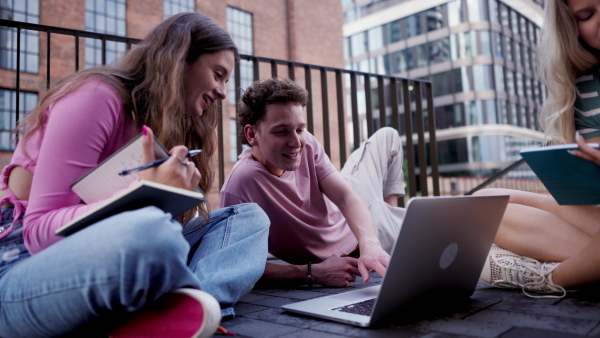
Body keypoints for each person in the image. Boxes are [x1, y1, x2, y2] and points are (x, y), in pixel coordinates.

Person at [0, 12, 269, 338]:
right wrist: (145, 191)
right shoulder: (96, 96)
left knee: (248, 219)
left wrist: (167, 193)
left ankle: (191, 307)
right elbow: (40, 233)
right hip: (19, 267)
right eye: (218, 74)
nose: (224, 92)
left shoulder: (158, 120)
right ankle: (172, 309)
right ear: (180, 60)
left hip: (108, 254)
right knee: (155, 232)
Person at [220, 77, 406, 287]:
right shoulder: (238, 189)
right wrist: (311, 273)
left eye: (299, 129)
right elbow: (237, 265)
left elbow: (345, 197)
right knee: (441, 230)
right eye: (282, 131)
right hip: (351, 232)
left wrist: (371, 243)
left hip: (359, 220)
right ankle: (386, 225)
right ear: (252, 134)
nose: (296, 142)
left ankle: (384, 227)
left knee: (388, 136)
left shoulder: (306, 143)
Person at [476, 0, 600, 298]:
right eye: (586, 15)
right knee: (481, 205)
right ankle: (587, 268)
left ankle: (548, 277)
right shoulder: (585, 85)